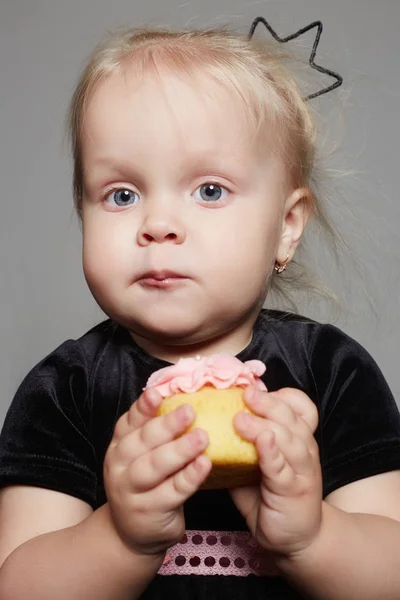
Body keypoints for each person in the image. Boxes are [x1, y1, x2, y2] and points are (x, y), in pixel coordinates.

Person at [0, 21, 400, 600]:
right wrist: (119, 539)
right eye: (122, 194)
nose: (158, 225)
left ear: (287, 227)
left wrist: (312, 540)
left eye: (209, 190)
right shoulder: (66, 389)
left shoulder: (330, 372)